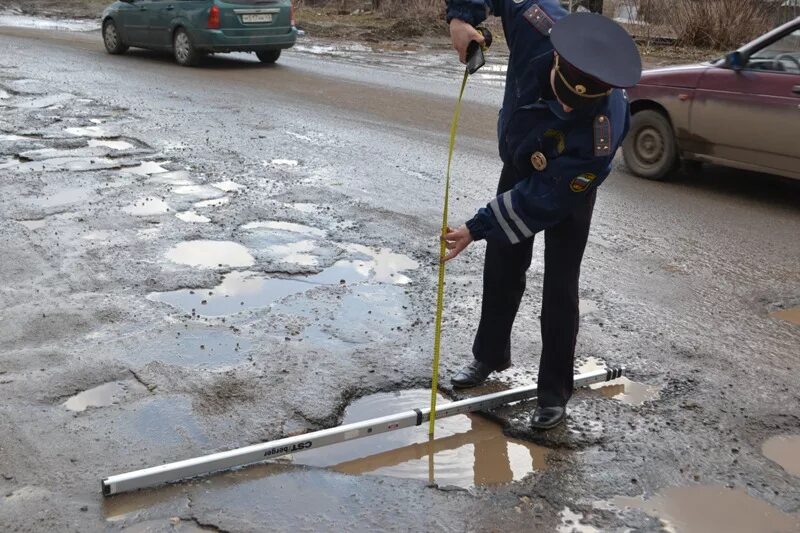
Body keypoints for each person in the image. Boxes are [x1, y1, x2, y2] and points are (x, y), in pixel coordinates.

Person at [442, 1, 642, 430]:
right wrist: (461, 19)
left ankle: (553, 392)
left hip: (568, 185)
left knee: (560, 285)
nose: (567, 111)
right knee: (503, 261)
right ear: (555, 58)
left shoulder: (602, 132)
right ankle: (490, 355)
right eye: (562, 98)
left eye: (578, 108)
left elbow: (541, 199)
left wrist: (476, 227)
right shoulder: (538, 25)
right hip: (520, 159)